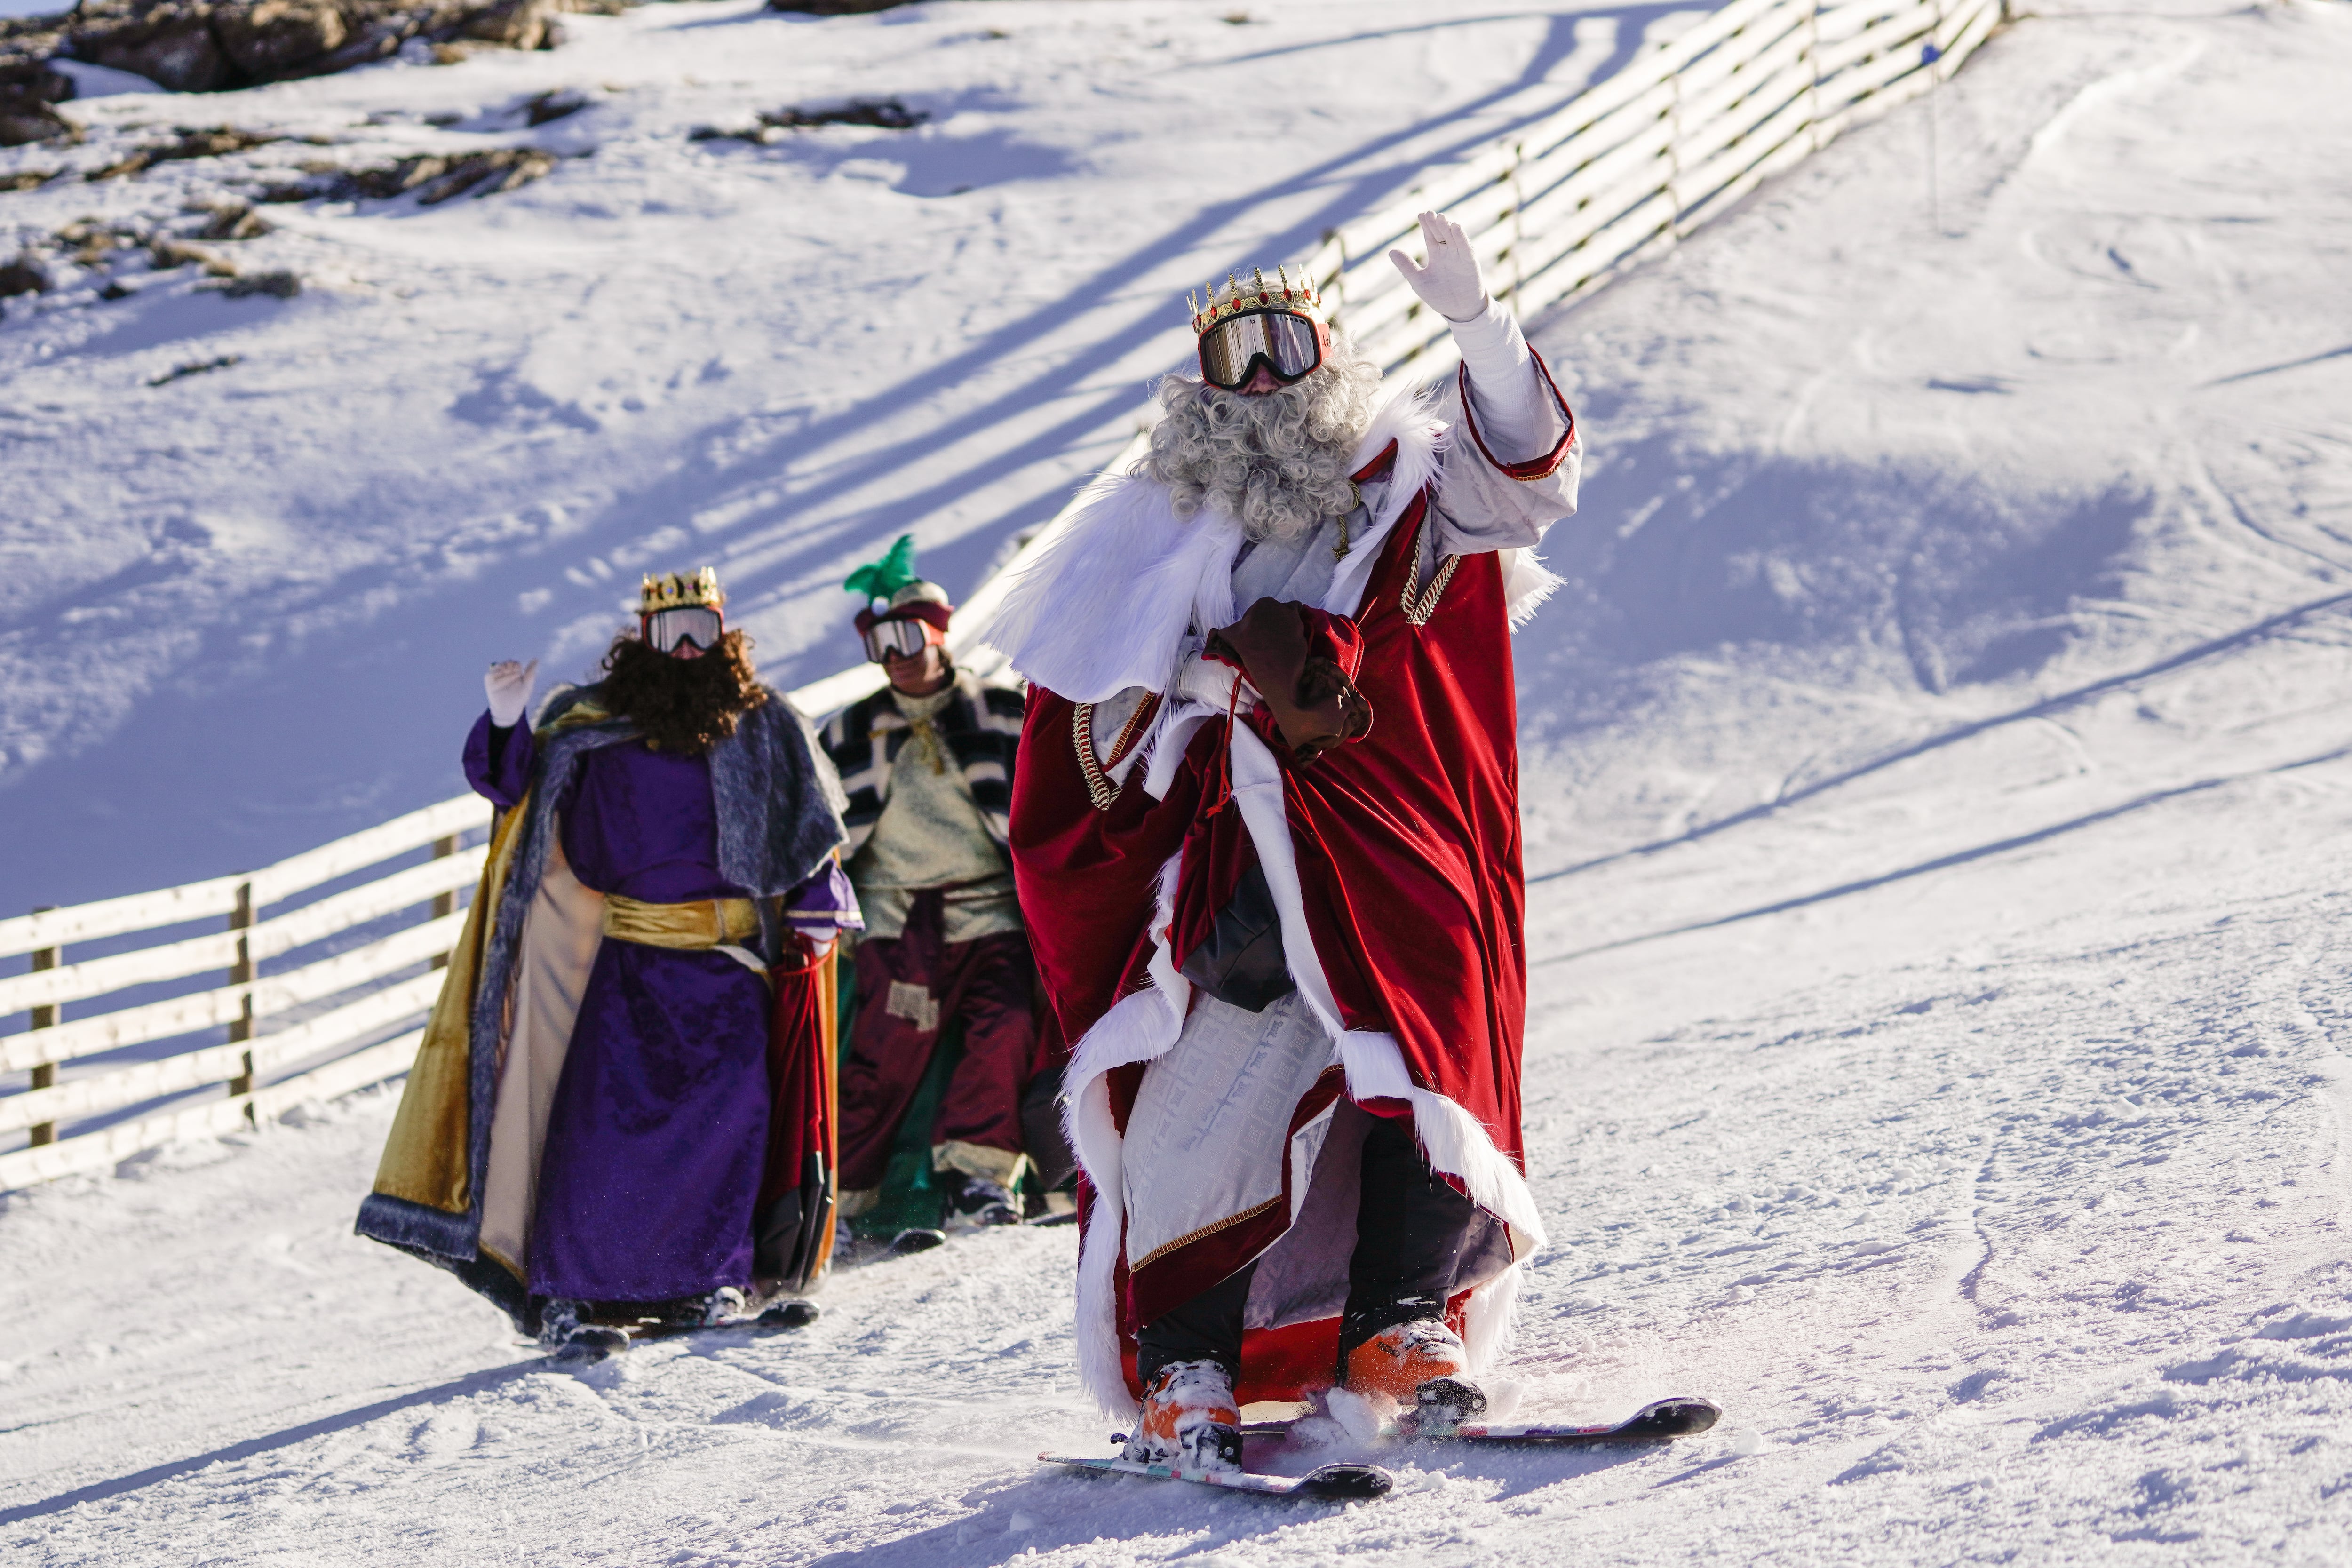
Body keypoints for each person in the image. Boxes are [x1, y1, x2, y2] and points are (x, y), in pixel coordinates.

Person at [986, 212, 1581, 1469]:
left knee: (1426, 1059)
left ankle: (1399, 1323)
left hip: (1400, 846)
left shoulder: (1412, 486)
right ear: (1198, 387)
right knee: (1205, 1091)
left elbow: (1531, 477)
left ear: (1332, 357)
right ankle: (1185, 1359)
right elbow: (1088, 718)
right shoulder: (1151, 523)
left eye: (1287, 348)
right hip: (1239, 862)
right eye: (1235, 357)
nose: (1263, 380)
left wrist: (1481, 327)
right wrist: (1198, 684)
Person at [356, 568, 861, 1358]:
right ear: (643, 638)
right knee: (602, 1130)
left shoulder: (765, 724)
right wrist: (507, 720)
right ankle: (572, 1291)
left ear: (725, 635)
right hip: (630, 969)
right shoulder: (591, 723)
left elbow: (812, 828)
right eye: (671, 632)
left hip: (731, 971)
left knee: (731, 1126)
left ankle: (710, 1281)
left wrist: (821, 894)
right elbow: (515, 792)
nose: (687, 648)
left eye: (701, 630)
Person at [821, 539, 1049, 1239]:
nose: (895, 657)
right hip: (898, 923)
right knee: (882, 1057)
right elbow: (821, 833)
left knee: (1005, 1028)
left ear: (939, 634)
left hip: (991, 915)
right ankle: (844, 1200)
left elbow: (1050, 813)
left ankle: (980, 1178)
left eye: (907, 637)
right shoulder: (851, 729)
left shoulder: (1001, 712)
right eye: (879, 644)